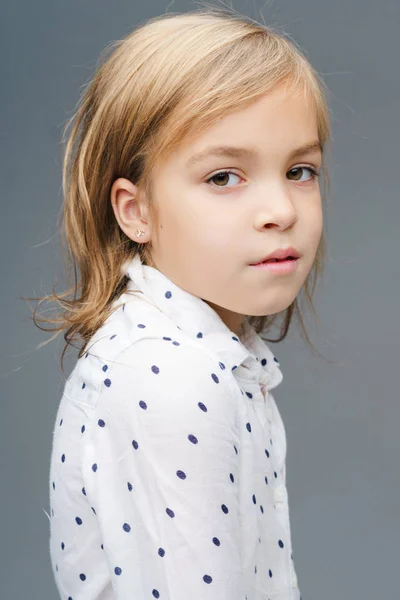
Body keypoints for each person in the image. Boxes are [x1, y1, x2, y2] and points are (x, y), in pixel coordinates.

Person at [39, 6, 332, 599]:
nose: (282, 210)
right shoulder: (173, 376)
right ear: (136, 210)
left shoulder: (207, 356)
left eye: (300, 170)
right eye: (224, 177)